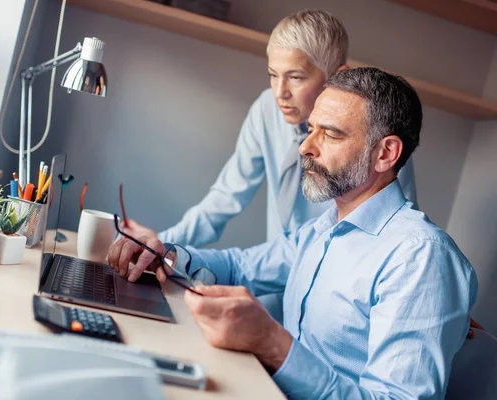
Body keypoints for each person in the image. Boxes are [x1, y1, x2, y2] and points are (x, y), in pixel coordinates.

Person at [107, 67, 477, 399]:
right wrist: (166, 253)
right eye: (310, 129)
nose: (305, 147)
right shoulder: (323, 228)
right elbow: (240, 267)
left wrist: (272, 343)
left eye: (329, 135)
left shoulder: (420, 257)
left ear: (385, 154)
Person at [142, 10, 417, 249]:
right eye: (273, 75)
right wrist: (159, 244)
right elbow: (226, 196)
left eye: (295, 77)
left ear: (337, 76)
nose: (280, 92)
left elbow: (394, 223)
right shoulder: (266, 109)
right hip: (275, 265)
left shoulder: (377, 136)